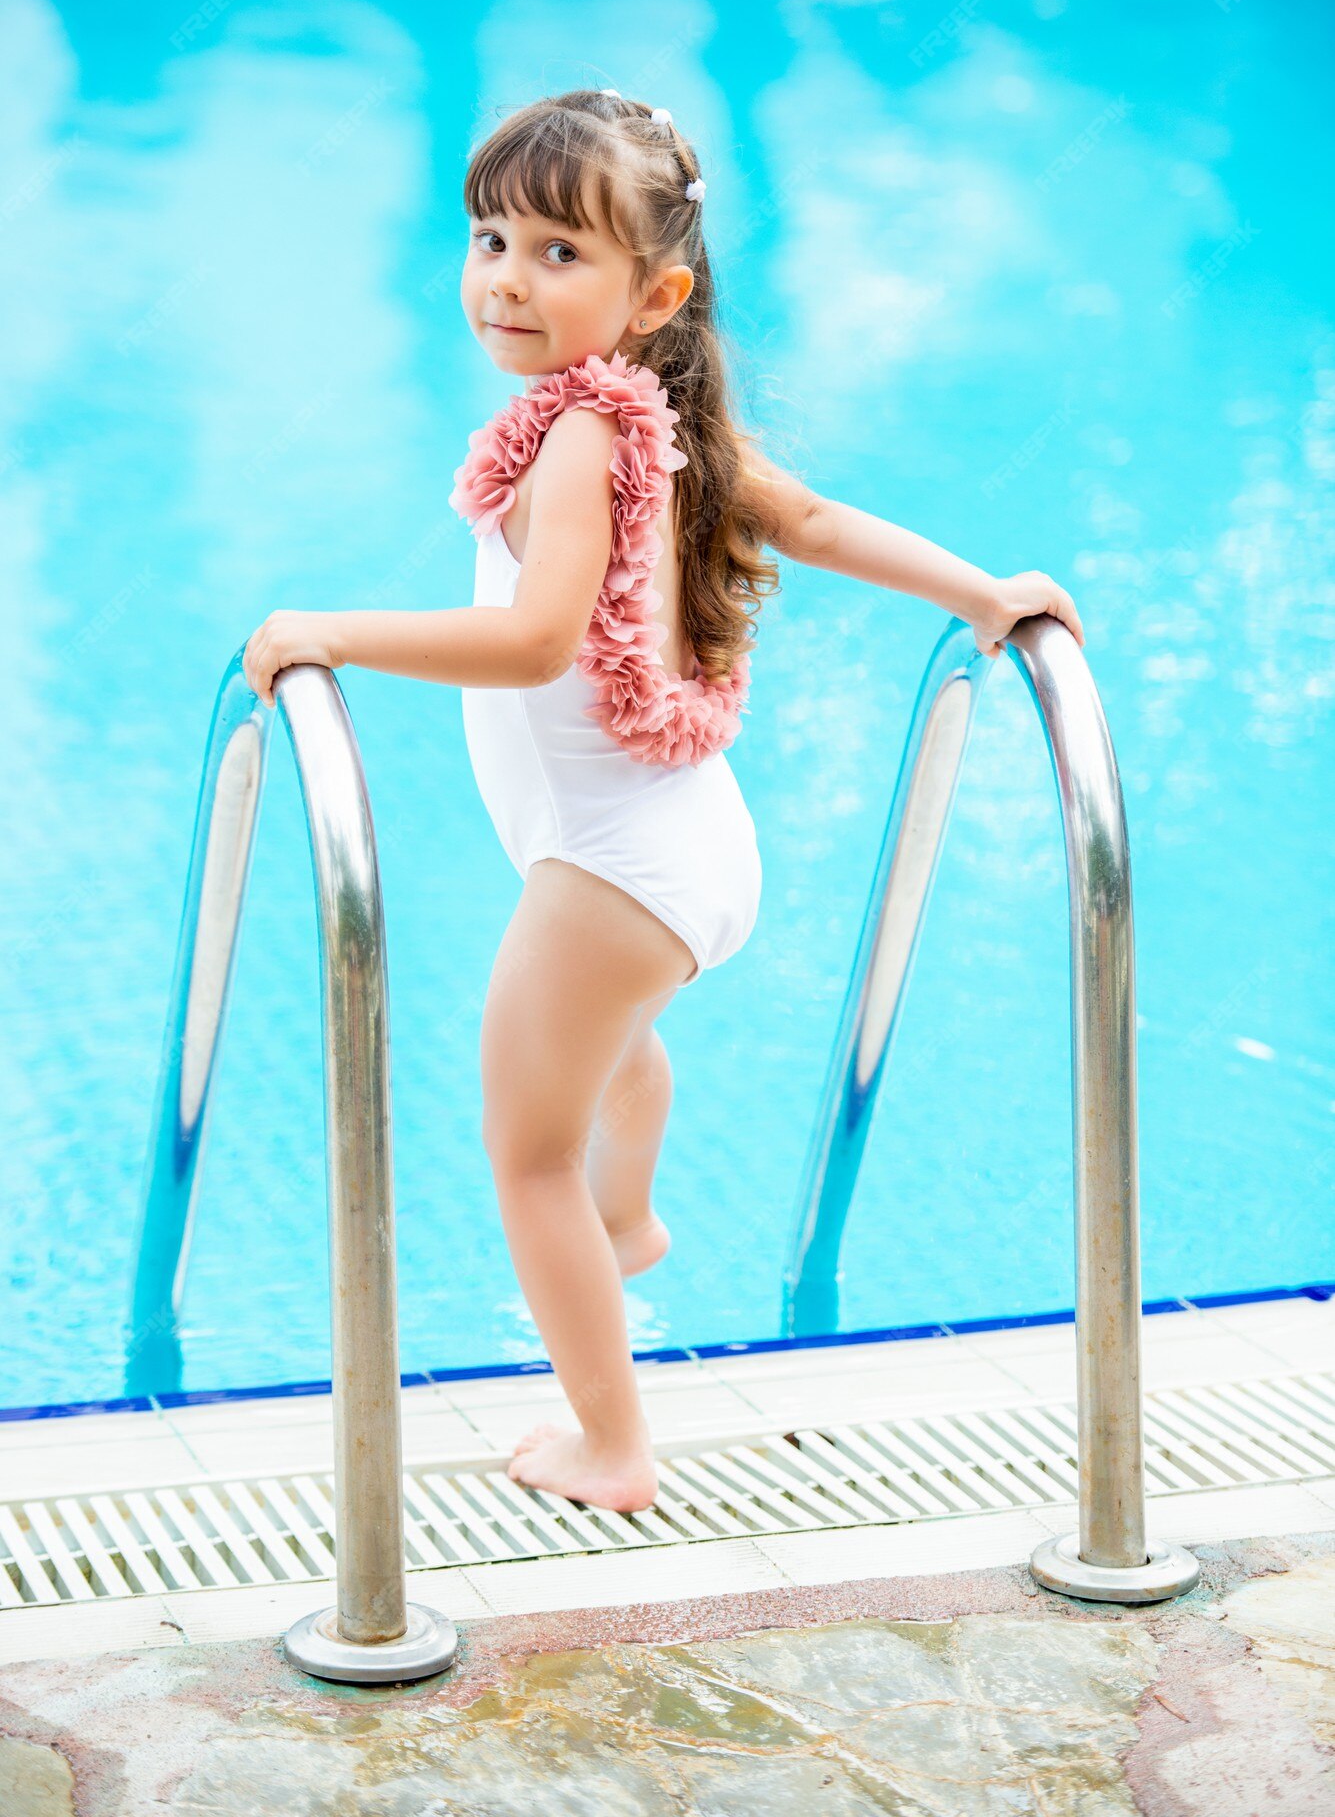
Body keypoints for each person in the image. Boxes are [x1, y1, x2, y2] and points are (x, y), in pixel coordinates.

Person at [242, 87, 1085, 1514]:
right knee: (616, 1056)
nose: (507, 277)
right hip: (689, 852)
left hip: (615, 870)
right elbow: (807, 520)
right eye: (490, 237)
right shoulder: (648, 421)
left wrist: (328, 631)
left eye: (559, 255)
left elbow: (534, 643)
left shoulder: (583, 440)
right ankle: (631, 1217)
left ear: (654, 292)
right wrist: (981, 593)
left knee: (523, 1155)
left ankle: (614, 1442)